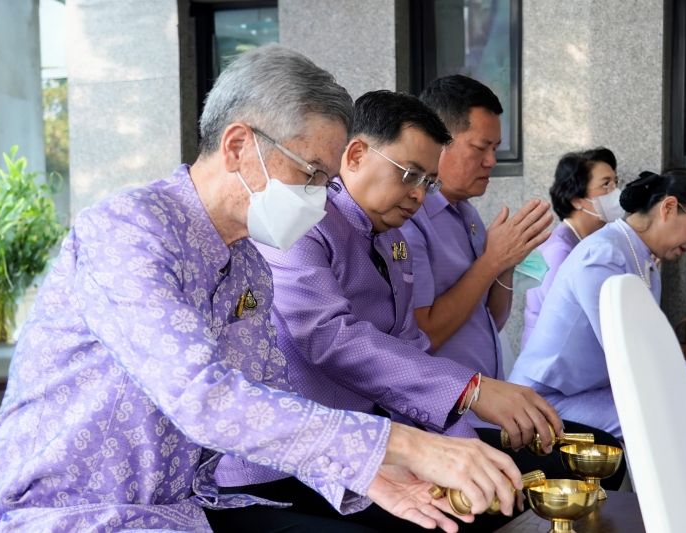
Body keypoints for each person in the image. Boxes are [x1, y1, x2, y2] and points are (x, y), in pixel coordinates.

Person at [0, 46, 521, 533]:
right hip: (62, 512)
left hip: (180, 508)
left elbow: (267, 403)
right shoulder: (129, 231)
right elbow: (205, 398)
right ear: (238, 146)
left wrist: (365, 474)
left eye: (327, 183)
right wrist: (399, 444)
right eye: (310, 174)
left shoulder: (249, 265)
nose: (321, 198)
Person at [211, 89, 552, 533]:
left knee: (490, 500)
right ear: (353, 155)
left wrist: (465, 449)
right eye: (409, 174)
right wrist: (469, 391)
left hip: (367, 444)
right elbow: (329, 336)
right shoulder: (301, 220)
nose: (418, 195)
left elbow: (408, 346)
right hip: (281, 464)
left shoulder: (393, 240)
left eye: (428, 181)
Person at [401, 75, 626, 488]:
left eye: (495, 149)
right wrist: (491, 262)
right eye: (481, 148)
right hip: (443, 416)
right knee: (585, 465)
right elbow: (424, 333)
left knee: (601, 453)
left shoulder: (466, 214)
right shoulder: (409, 218)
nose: (492, 161)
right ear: (438, 142)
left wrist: (505, 265)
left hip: (490, 403)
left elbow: (491, 319)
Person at [508, 169, 686, 443]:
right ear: (669, 207)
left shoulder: (642, 260)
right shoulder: (603, 254)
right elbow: (631, 350)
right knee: (673, 420)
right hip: (542, 399)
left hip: (588, 393)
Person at [521, 148, 620, 349]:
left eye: (617, 183)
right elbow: (568, 318)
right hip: (549, 366)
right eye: (606, 184)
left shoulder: (587, 241)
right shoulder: (558, 250)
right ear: (577, 199)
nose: (616, 192)